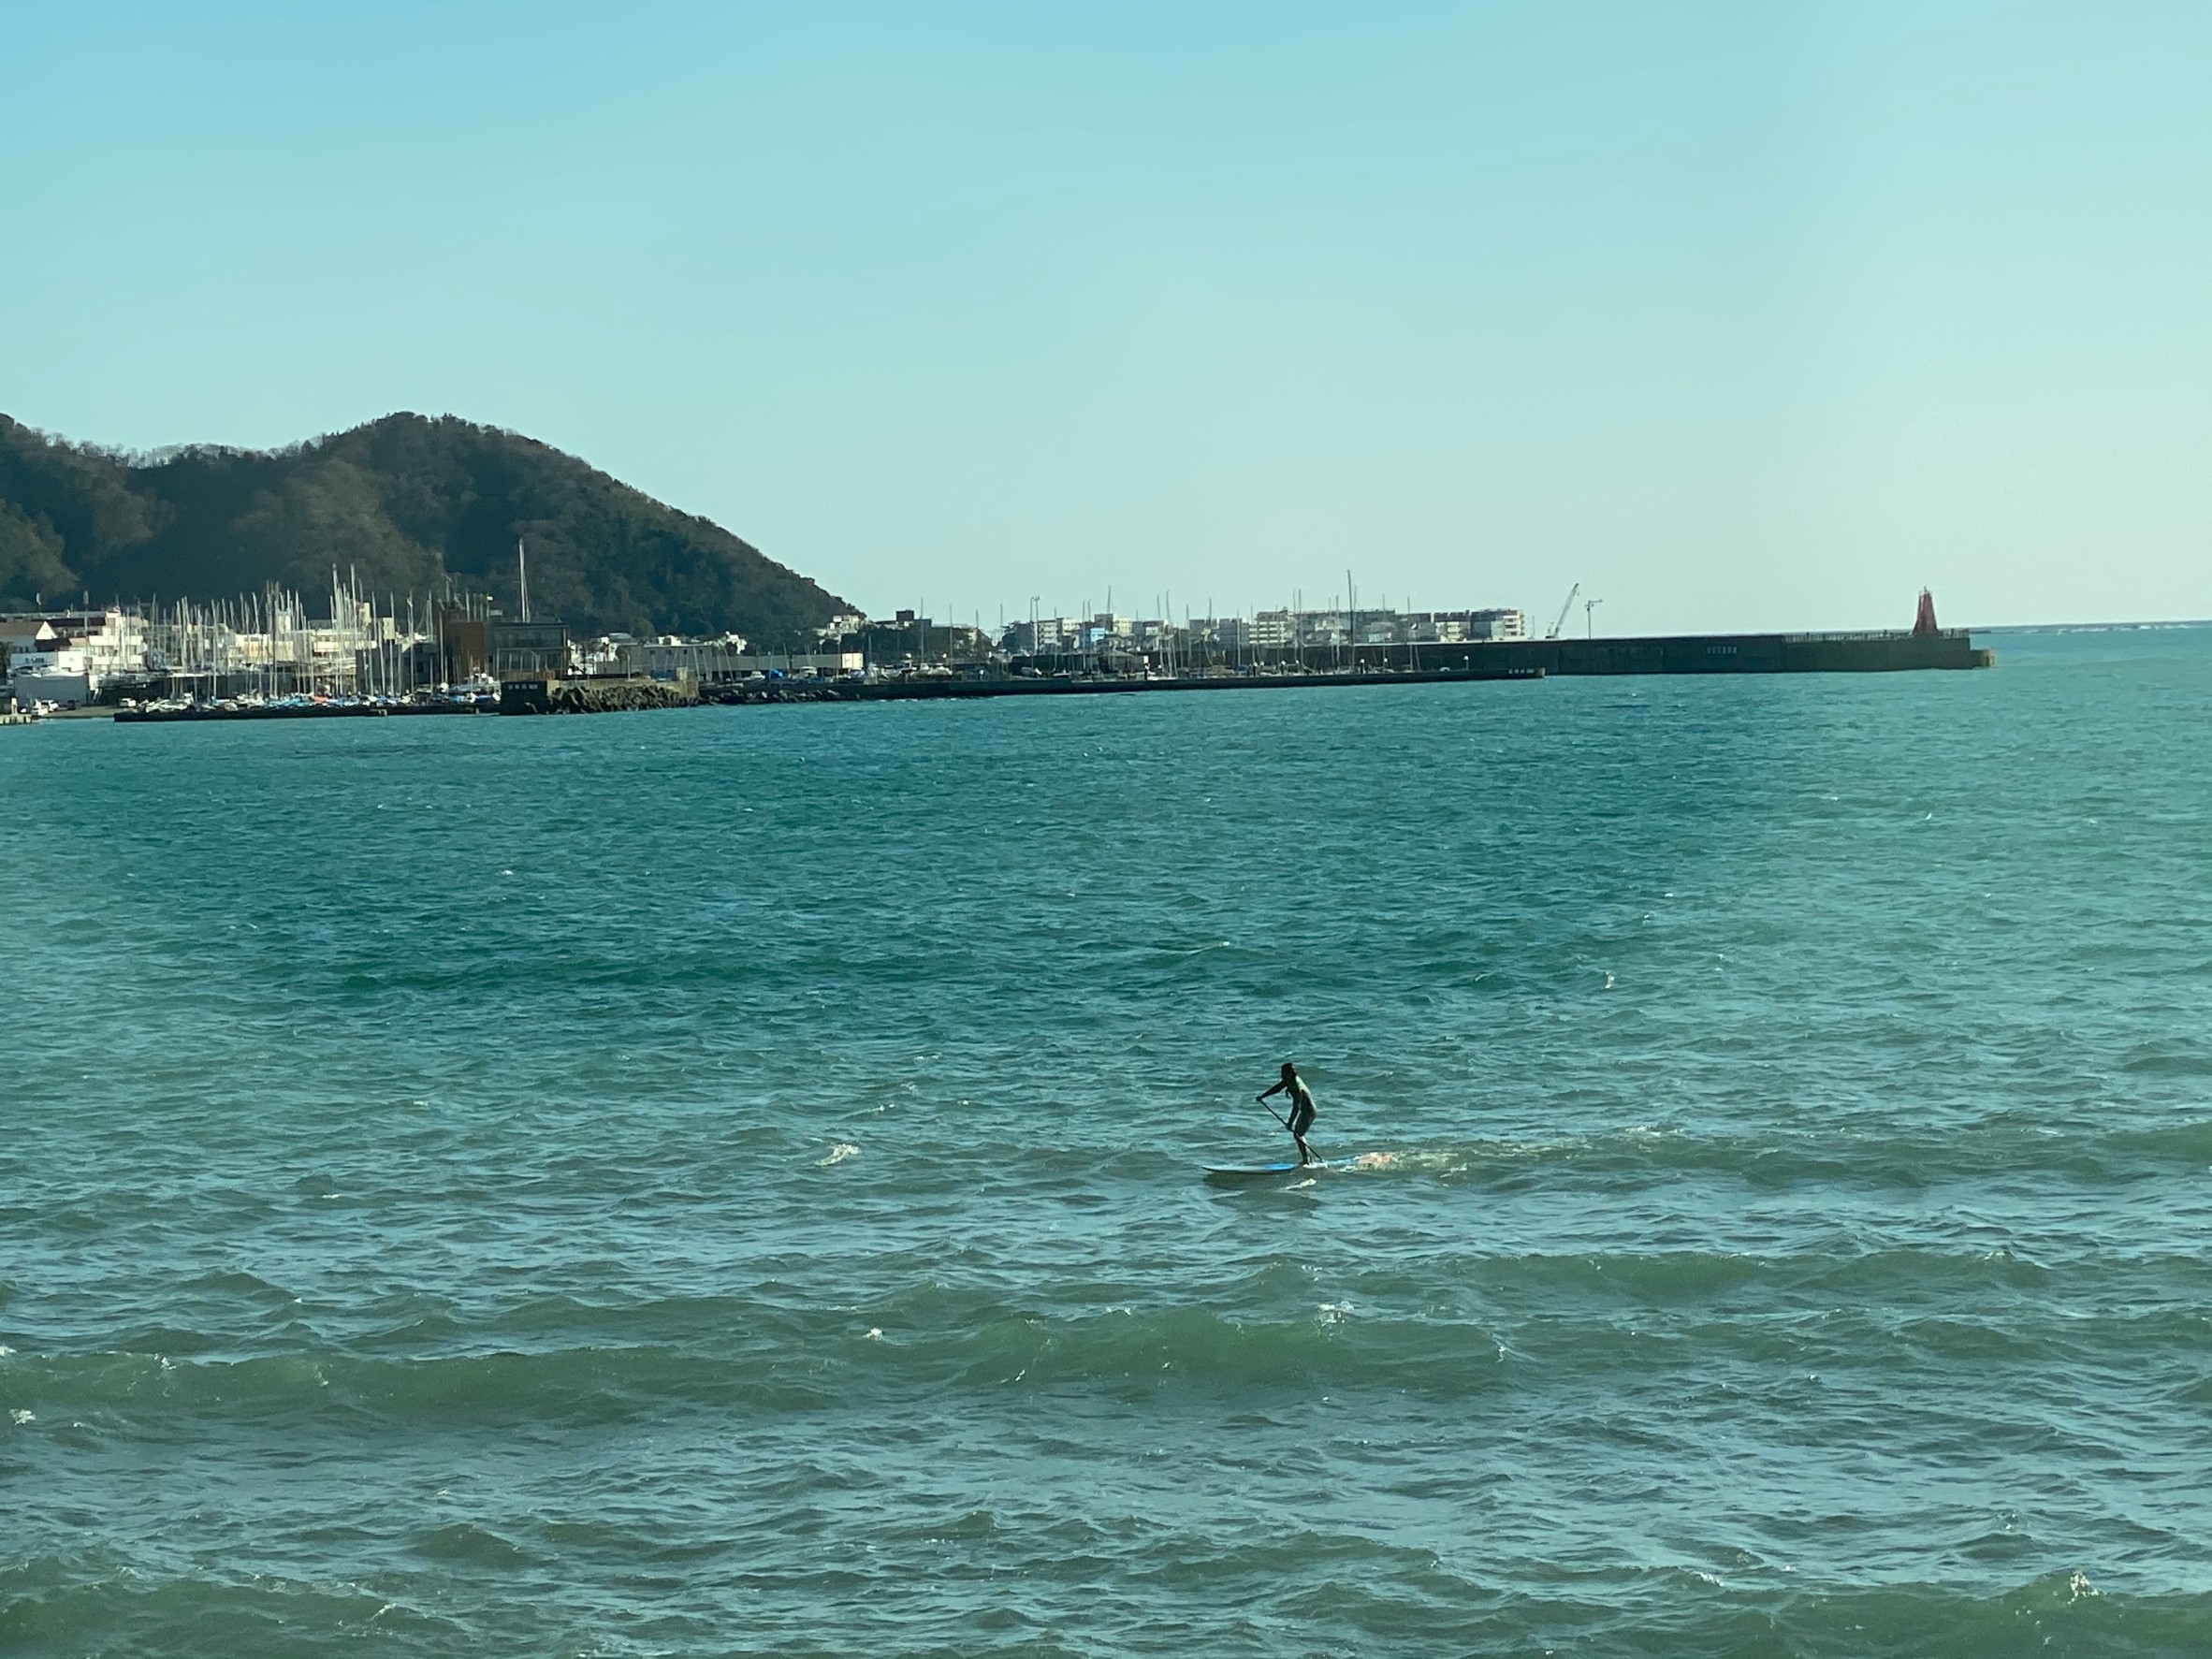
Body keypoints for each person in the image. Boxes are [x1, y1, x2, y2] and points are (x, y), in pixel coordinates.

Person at [1258, 1062, 1317, 1164]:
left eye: (1284, 1073)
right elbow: (1277, 1088)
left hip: (1309, 1110)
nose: (1282, 1075)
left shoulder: (1296, 1084)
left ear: (1289, 1073)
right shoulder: (1288, 1081)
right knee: (1298, 1135)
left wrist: (1290, 1122)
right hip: (1305, 1110)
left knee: (1298, 1135)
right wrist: (1263, 1096)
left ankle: (1307, 1161)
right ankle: (1308, 1160)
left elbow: (1296, 1106)